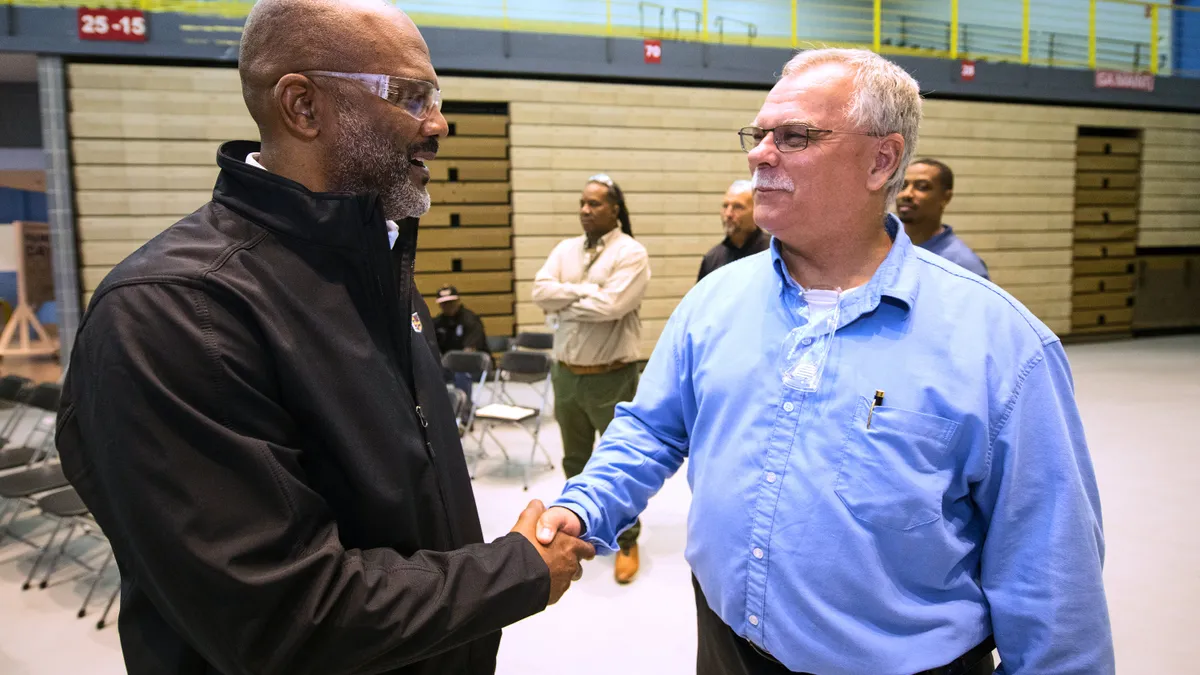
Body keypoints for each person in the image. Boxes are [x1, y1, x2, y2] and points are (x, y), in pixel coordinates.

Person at [55, 2, 593, 674]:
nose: (438, 123)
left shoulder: (371, 265)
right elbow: (282, 617)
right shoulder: (173, 314)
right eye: (411, 95)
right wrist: (515, 571)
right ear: (303, 106)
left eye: (436, 95)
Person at [536, 49, 1113, 674]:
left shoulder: (1003, 347)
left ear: (881, 160)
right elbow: (653, 428)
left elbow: (1052, 587)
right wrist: (585, 505)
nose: (760, 153)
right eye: (759, 135)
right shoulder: (714, 300)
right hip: (726, 644)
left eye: (794, 137)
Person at [530, 173, 650, 584]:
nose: (585, 209)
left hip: (611, 378)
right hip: (566, 375)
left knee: (618, 467)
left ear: (615, 209)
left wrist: (565, 302)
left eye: (595, 203)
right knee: (575, 461)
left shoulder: (631, 253)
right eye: (582, 202)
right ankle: (581, 530)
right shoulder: (564, 249)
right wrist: (586, 292)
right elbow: (540, 291)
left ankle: (628, 539)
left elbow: (613, 306)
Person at [896, 158, 990, 279]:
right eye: (902, 186)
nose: (907, 194)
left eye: (922, 187)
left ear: (946, 198)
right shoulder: (886, 250)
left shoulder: (963, 265)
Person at [697, 179, 770, 281]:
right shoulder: (712, 258)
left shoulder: (775, 251)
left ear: (756, 211)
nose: (728, 214)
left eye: (738, 207)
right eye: (725, 206)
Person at [433, 284, 488, 355]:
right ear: (440, 305)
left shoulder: (470, 320)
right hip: (447, 362)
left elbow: (470, 349)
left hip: (473, 362)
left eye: (451, 302)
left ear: (458, 301)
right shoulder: (438, 322)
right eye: (444, 303)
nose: (448, 305)